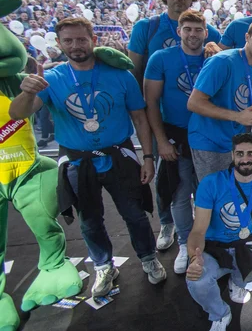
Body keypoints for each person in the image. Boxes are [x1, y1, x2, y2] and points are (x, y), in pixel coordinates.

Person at [9, 17, 167, 298]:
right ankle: (104, 266)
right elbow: (18, 114)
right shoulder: (52, 79)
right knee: (90, 220)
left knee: (135, 214)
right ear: (59, 44)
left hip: (119, 156)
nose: (75, 45)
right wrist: (26, 92)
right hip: (77, 162)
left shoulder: (120, 75)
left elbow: (140, 119)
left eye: (81, 39)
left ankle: (148, 257)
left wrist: (148, 157)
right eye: (68, 41)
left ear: (93, 40)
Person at [128, 0, 221, 249]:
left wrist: (218, 46)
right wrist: (155, 134)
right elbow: (136, 75)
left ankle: (208, 235)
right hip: (169, 124)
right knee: (172, 185)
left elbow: (225, 67)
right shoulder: (148, 28)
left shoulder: (211, 33)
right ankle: (170, 225)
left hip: (204, 130)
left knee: (205, 185)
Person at [185, 133, 252, 330]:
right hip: (214, 248)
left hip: (245, 246)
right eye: (240, 154)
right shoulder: (211, 183)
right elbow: (198, 231)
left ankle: (238, 280)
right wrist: (195, 257)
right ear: (232, 156)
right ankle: (220, 313)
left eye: (251, 153)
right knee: (197, 281)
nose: (245, 159)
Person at [143, 10, 207, 273]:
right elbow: (151, 102)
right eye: (187, 29)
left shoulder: (213, 56)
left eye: (198, 29)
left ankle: (206, 241)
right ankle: (185, 244)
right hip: (175, 136)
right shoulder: (161, 58)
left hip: (208, 136)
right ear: (179, 31)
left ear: (206, 32)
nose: (193, 34)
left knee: (207, 192)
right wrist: (161, 141)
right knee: (180, 196)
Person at [187, 21, 252, 182]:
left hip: (235, 145)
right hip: (209, 142)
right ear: (247, 37)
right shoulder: (222, 61)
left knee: (232, 199)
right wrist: (237, 116)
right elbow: (194, 103)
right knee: (213, 199)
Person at [128, 0, 221, 86]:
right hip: (157, 100)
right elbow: (133, 72)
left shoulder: (210, 33)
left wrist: (215, 48)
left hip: (198, 100)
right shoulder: (145, 28)